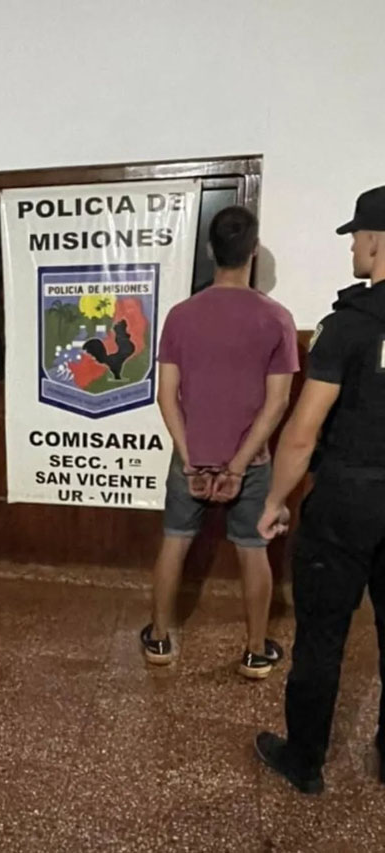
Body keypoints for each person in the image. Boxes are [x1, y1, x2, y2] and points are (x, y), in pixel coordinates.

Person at [255, 186, 385, 794]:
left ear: (377, 241)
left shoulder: (348, 325)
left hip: (347, 502)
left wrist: (275, 501)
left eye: (356, 237)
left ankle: (304, 760)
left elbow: (302, 433)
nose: (353, 248)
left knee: (322, 637)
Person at [140, 206, 299, 678]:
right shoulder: (278, 318)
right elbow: (278, 403)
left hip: (190, 455)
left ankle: (160, 639)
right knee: (253, 549)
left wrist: (191, 459)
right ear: (252, 252)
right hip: (252, 460)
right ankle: (255, 651)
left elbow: (166, 395)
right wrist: (238, 465)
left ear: (211, 250)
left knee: (175, 541)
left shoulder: (180, 315)